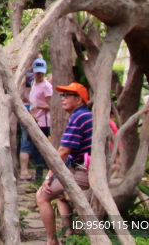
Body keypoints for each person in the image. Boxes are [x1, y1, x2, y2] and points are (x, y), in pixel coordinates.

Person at [36, 82, 92, 245]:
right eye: (63, 95)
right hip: (80, 168)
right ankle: (69, 236)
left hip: (85, 172)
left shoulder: (78, 117)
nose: (63, 98)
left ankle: (51, 241)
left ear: (79, 100)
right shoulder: (85, 115)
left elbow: (63, 152)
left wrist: (48, 177)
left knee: (42, 196)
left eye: (68, 95)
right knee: (60, 196)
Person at [22, 58, 53, 183]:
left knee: (37, 150)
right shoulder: (34, 83)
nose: (39, 75)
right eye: (37, 72)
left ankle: (40, 175)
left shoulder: (47, 86)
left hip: (44, 123)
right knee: (34, 150)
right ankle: (39, 174)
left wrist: (39, 107)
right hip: (35, 121)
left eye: (41, 73)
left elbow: (52, 106)